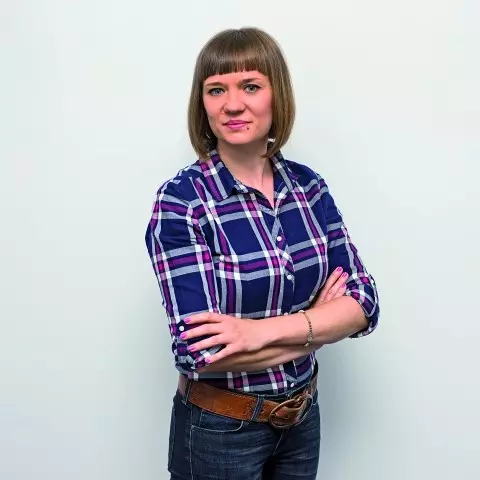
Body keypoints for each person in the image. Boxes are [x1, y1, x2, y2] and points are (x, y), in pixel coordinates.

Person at [145, 27, 379, 480]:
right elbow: (199, 353)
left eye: (250, 86)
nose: (233, 104)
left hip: (301, 420)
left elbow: (364, 303)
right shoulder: (182, 202)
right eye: (216, 90)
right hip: (220, 431)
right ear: (202, 103)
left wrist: (255, 333)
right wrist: (318, 327)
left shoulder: (309, 188)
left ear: (277, 95)